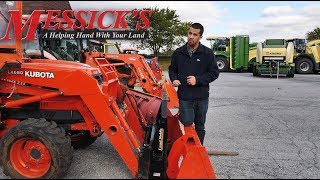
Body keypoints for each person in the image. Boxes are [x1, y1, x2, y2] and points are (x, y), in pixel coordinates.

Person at [168, 23, 220, 145]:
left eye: (195, 34)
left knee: (200, 126)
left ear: (200, 37)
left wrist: (198, 80)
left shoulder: (207, 53)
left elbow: (214, 73)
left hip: (201, 98)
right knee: (186, 123)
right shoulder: (178, 53)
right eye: (189, 33)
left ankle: (198, 149)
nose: (191, 36)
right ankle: (185, 148)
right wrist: (174, 78)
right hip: (185, 97)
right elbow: (172, 69)